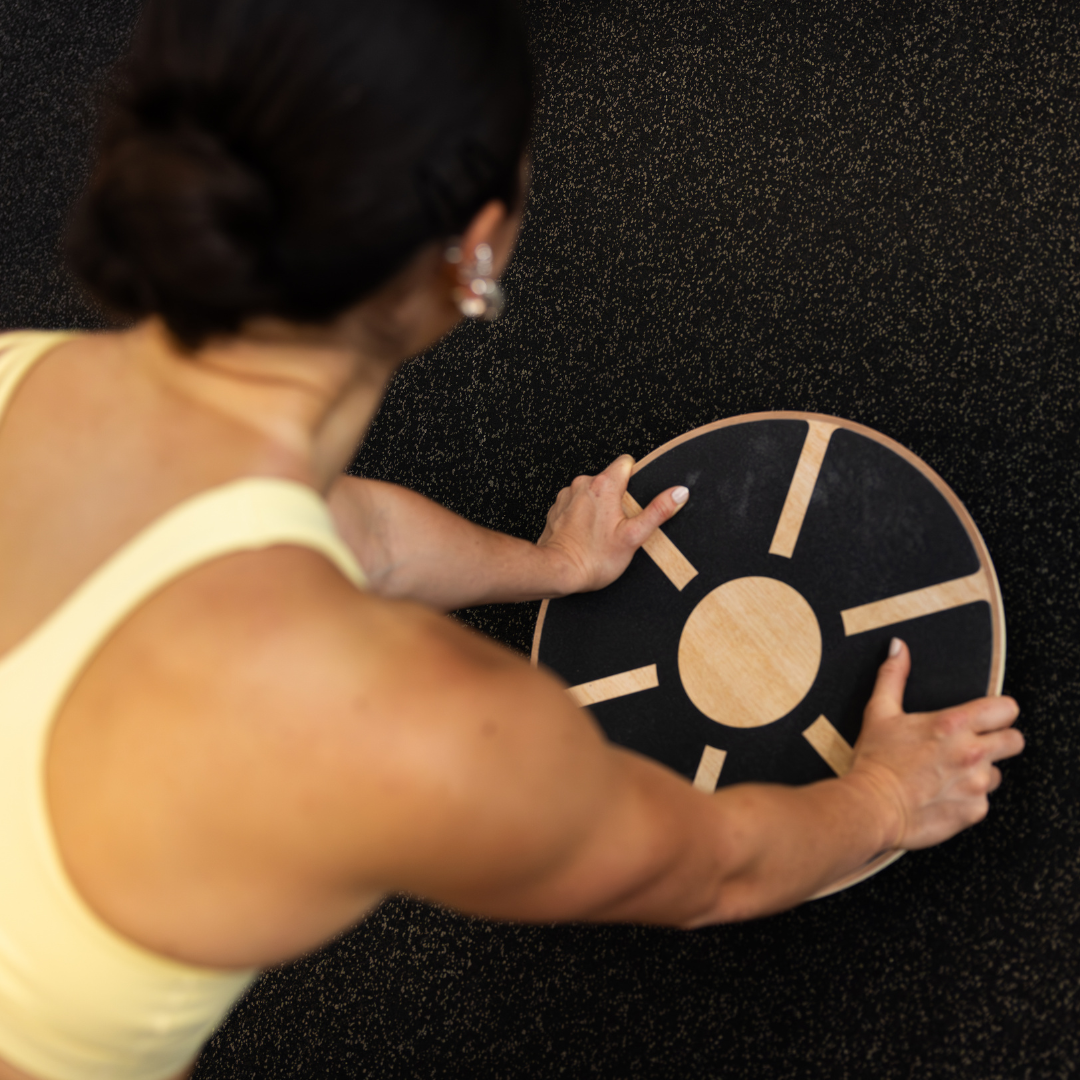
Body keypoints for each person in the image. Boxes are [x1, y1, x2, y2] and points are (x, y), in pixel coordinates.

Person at [0, 0, 1023, 1077]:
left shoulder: (26, 370)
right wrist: (885, 797)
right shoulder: (420, 727)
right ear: (474, 248)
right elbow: (708, 871)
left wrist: (551, 570)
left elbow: (358, 537)